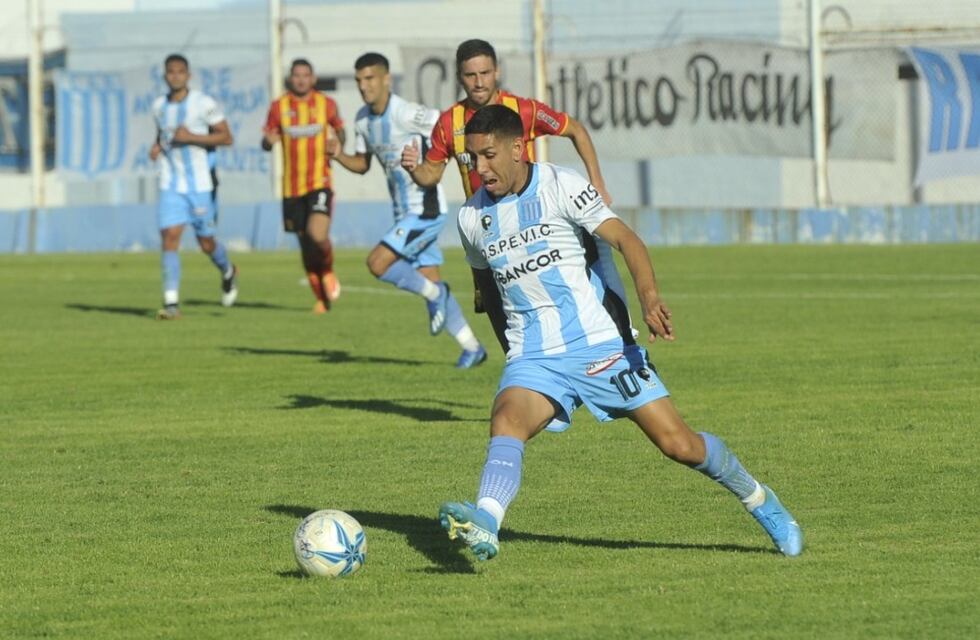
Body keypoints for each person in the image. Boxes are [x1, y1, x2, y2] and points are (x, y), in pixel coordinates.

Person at [438, 105, 803, 561]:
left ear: (518, 147)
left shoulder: (561, 185)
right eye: (473, 158)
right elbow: (488, 289)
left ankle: (759, 499)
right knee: (506, 420)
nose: (481, 168)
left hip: (600, 343)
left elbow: (628, 240)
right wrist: (513, 352)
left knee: (679, 444)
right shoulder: (472, 217)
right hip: (536, 355)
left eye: (489, 155)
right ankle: (487, 522)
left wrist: (649, 299)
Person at [402, 38, 643, 430]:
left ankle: (625, 352)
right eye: (470, 75)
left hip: (542, 222)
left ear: (496, 72)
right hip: (489, 233)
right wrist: (414, 168)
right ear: (459, 78)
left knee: (587, 285)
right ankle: (540, 388)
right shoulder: (449, 124)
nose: (478, 82)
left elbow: (575, 130)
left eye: (485, 73)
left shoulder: (523, 110)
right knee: (503, 310)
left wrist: (597, 180)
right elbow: (431, 174)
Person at [328, 53, 487, 368]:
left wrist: (442, 158)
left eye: (370, 78)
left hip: (425, 208)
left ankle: (434, 295)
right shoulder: (362, 119)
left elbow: (445, 125)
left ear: (386, 79)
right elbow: (361, 165)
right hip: (404, 213)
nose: (364, 86)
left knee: (377, 263)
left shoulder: (407, 113)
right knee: (430, 278)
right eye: (359, 80)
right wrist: (337, 154)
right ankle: (473, 347)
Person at [150, 53, 238, 320]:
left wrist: (191, 137)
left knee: (206, 243)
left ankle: (228, 270)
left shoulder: (203, 103)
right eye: (170, 72)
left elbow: (226, 137)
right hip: (170, 183)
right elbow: (163, 135)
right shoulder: (158, 106)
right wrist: (156, 146)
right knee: (170, 237)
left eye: (180, 71)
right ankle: (171, 303)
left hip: (200, 184)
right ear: (165, 75)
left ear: (188, 75)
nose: (175, 76)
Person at [262, 59, 345, 313]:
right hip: (291, 187)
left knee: (317, 235)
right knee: (305, 245)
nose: (300, 80)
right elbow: (266, 140)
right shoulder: (279, 106)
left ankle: (328, 270)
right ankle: (321, 298)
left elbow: (341, 131)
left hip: (319, 182)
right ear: (290, 79)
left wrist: (337, 143)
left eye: (305, 75)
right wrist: (268, 141)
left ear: (313, 78)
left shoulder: (326, 104)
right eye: (296, 75)